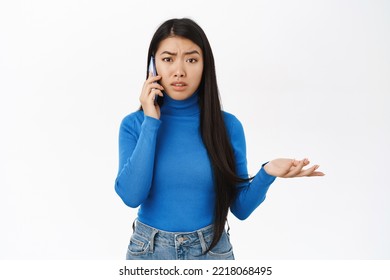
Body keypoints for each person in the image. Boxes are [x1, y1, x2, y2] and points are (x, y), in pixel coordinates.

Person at [114, 18, 324, 260]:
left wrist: (267, 172)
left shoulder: (227, 126)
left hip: (211, 250)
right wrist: (151, 122)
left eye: (191, 59)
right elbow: (131, 196)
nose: (179, 70)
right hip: (149, 251)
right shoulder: (134, 125)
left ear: (205, 65)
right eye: (168, 59)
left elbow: (241, 208)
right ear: (153, 65)